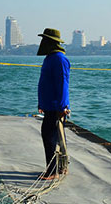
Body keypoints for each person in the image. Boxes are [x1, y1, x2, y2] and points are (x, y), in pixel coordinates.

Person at [36, 28, 70, 180]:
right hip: (49, 105)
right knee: (55, 137)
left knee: (50, 137)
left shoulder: (59, 59)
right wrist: (41, 102)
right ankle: (60, 168)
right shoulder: (50, 58)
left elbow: (62, 84)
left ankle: (52, 171)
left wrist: (62, 106)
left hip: (56, 106)